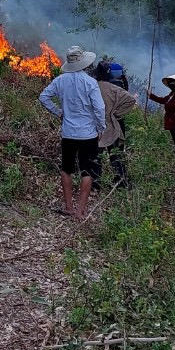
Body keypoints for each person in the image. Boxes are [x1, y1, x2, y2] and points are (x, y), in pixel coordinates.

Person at [39, 45, 108, 220]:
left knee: (66, 169)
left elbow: (44, 97)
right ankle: (80, 211)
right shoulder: (90, 82)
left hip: (68, 133)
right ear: (84, 63)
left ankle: (69, 207)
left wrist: (58, 112)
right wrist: (101, 127)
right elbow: (99, 108)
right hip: (88, 134)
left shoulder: (60, 81)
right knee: (87, 171)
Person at [94, 70, 137, 189]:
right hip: (113, 127)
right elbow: (131, 100)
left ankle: (95, 184)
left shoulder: (92, 86)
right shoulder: (113, 88)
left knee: (96, 156)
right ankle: (121, 183)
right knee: (116, 156)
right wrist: (116, 114)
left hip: (96, 128)